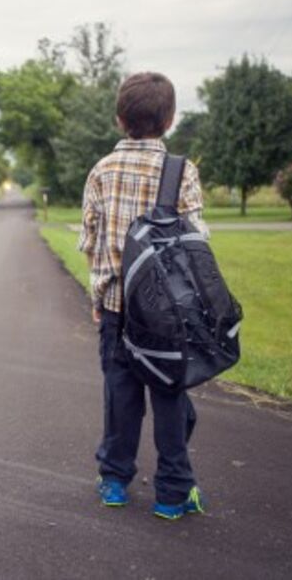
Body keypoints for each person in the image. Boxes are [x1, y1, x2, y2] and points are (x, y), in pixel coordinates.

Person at [77, 71, 210, 521]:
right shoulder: (181, 171)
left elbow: (91, 241)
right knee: (171, 397)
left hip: (117, 310)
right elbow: (197, 242)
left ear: (119, 120)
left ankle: (114, 480)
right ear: (170, 120)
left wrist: (99, 295)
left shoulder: (101, 171)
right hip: (169, 316)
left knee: (121, 396)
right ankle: (172, 493)